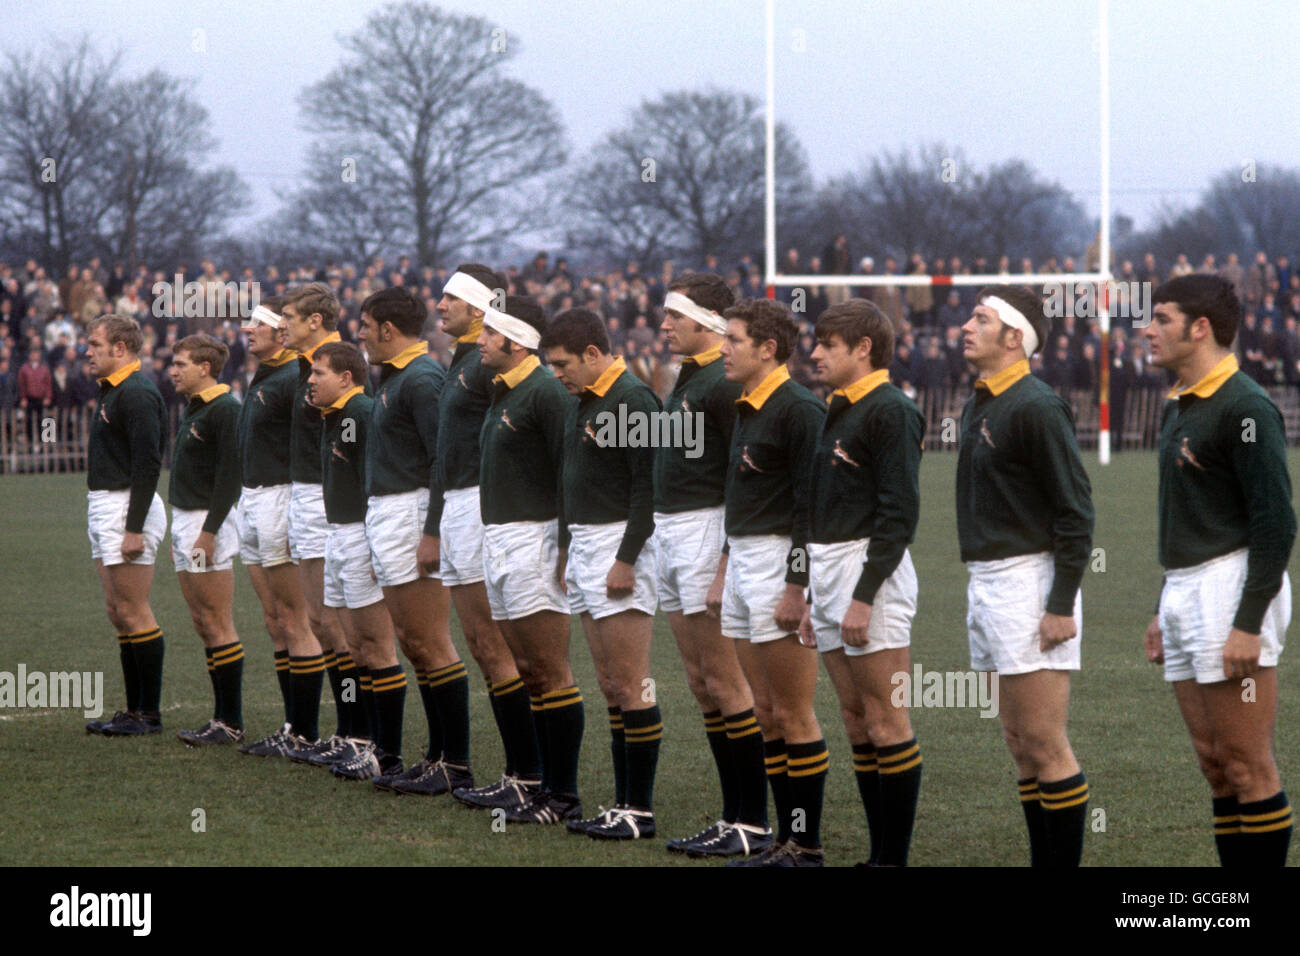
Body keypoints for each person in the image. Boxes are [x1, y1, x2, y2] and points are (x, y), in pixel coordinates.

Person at [1142, 274, 1295, 866]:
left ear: (1200, 328)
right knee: (1216, 767)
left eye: (1161, 318)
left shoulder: (1246, 407)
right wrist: (1163, 604)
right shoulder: (1180, 402)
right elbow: (1187, 514)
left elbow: (1275, 524)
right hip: (1185, 589)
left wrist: (1248, 623)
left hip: (1231, 589)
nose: (1148, 330)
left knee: (1247, 767)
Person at [957, 285, 1094, 867]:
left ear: (1015, 338)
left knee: (1044, 743)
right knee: (1019, 745)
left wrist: (1060, 603)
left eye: (980, 319)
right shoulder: (981, 400)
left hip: (1028, 583)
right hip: (987, 580)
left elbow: (1075, 511)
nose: (966, 326)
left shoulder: (1036, 405)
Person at [799, 298, 924, 866]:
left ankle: (891, 859)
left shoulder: (891, 410)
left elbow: (899, 513)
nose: (815, 353)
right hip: (828, 574)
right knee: (855, 718)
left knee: (886, 718)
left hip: (868, 572)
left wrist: (863, 595)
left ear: (864, 348)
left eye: (827, 344)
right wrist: (811, 593)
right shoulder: (840, 406)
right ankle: (877, 855)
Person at [706, 297, 826, 867]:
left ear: (768, 349)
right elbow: (742, 498)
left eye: (733, 340)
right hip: (746, 564)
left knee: (794, 713)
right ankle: (781, 841)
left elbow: (810, 507)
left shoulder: (799, 409)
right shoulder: (747, 405)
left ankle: (806, 843)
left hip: (780, 565)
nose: (723, 349)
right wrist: (725, 568)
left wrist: (796, 586)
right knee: (765, 712)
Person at [654, 274, 769, 858]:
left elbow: (737, 478)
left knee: (726, 681)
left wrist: (725, 561)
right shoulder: (690, 378)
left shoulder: (722, 386)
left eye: (675, 315)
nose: (664, 324)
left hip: (704, 533)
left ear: (707, 322)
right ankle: (732, 816)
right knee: (702, 683)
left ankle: (752, 820)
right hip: (674, 534)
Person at [540, 308, 662, 840]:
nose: (556, 374)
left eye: (563, 364)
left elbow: (648, 488)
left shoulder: (633, 399)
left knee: (633, 684)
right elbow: (572, 480)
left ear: (593, 354)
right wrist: (569, 549)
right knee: (611, 684)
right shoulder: (583, 400)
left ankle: (640, 810)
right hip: (588, 546)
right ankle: (621, 804)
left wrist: (627, 557)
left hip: (619, 545)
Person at [348, 286, 472, 793]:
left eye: (364, 325)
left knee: (430, 641)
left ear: (387, 329)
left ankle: (455, 763)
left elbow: (441, 458)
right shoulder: (395, 377)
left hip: (412, 511)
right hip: (389, 513)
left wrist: (432, 531)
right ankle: (436, 756)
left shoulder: (422, 379)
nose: (359, 334)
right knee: (415, 644)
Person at [433, 266, 544, 811]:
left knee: (498, 648)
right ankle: (514, 770)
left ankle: (528, 773)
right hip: (459, 507)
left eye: (450, 298)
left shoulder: (487, 368)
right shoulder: (462, 363)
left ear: (480, 310)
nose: (439, 305)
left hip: (482, 507)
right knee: (482, 646)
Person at [477, 295, 585, 825]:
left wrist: (564, 544)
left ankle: (563, 796)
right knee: (525, 669)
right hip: (499, 538)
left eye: (489, 332)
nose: (480, 340)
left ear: (516, 341)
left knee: (548, 668)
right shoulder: (505, 390)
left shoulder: (545, 392)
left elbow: (569, 470)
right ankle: (537, 785)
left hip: (534, 539)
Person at [232, 302, 319, 757]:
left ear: (282, 333)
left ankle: (304, 732)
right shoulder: (265, 375)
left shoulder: (291, 378)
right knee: (274, 620)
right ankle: (291, 725)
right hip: (252, 499)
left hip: (279, 497)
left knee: (294, 619)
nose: (248, 330)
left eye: (259, 324)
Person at [308, 341, 399, 772]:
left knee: (373, 646)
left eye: (319, 373)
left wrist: (372, 541)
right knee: (349, 647)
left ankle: (385, 750)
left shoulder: (359, 414)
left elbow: (370, 477)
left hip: (360, 535)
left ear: (346, 378)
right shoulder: (337, 416)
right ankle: (356, 733)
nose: (310, 380)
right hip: (339, 535)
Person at [83, 315, 169, 736]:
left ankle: (147, 714)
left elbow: (148, 463)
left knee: (134, 610)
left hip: (125, 506)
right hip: (105, 504)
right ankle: (133, 710)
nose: (87, 351)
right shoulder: (113, 389)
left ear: (120, 348)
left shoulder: (136, 392)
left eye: (95, 344)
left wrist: (134, 527)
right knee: (118, 611)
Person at [166, 334, 246, 745]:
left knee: (216, 620)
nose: (173, 371)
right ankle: (221, 718)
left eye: (181, 364)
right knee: (201, 620)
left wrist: (208, 533)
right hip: (186, 525)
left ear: (205, 368)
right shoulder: (196, 406)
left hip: (204, 524)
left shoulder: (225, 409)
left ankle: (230, 721)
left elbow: (230, 475)